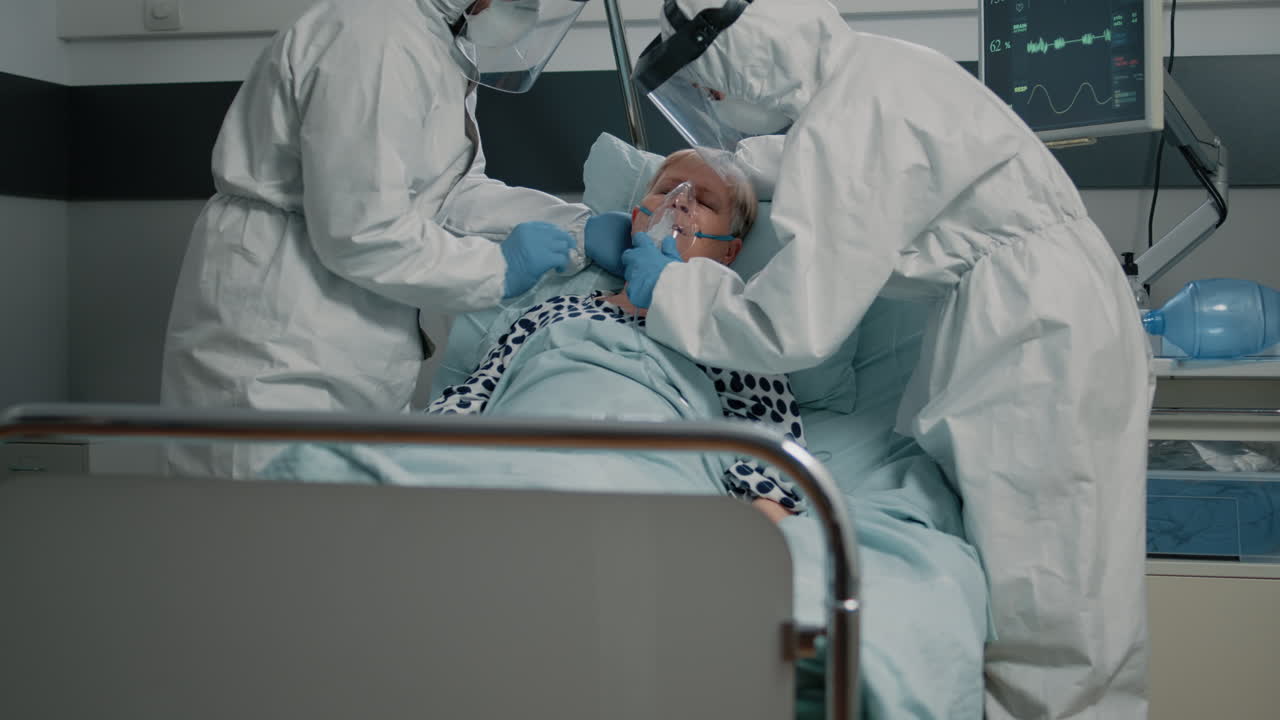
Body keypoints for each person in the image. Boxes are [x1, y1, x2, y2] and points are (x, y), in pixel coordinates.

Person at [613, 1, 1154, 717]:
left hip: (1042, 336)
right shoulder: (869, 75)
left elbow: (790, 325)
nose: (712, 102)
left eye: (710, 86)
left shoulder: (852, 114)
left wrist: (675, 289)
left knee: (1052, 593)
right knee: (1044, 571)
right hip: (1032, 315)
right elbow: (791, 165)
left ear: (744, 52)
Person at [160, 0, 626, 479]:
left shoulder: (438, 37)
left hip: (351, 337)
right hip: (280, 340)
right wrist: (497, 269)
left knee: (342, 534)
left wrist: (575, 226)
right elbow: (361, 231)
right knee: (255, 532)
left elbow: (447, 191)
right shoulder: (375, 36)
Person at [429, 149, 803, 522]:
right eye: (667, 189)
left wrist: (754, 531)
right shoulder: (555, 309)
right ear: (636, 216)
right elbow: (475, 394)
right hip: (518, 461)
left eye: (704, 201)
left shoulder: (729, 328)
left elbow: (774, 450)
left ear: (728, 252)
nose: (681, 201)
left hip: (652, 483)